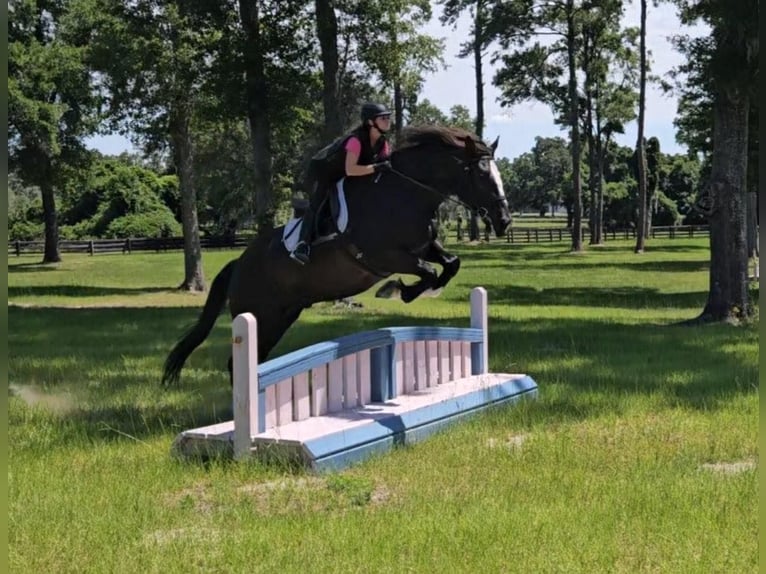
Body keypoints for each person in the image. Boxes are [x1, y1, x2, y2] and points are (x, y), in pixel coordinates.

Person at [290, 102, 394, 265]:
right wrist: (376, 167)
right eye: (383, 118)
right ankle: (302, 245)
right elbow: (351, 169)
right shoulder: (355, 141)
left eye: (389, 117)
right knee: (317, 204)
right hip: (324, 173)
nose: (388, 121)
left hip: (347, 177)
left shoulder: (383, 143)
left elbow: (383, 167)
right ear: (370, 122)